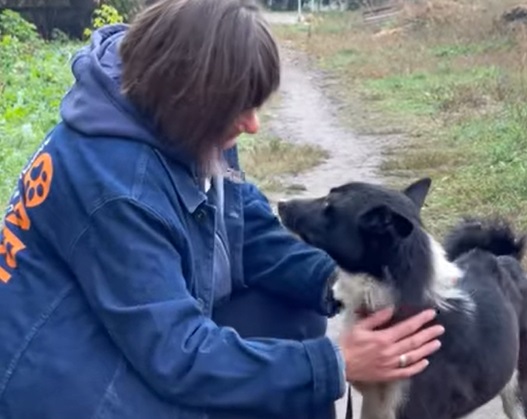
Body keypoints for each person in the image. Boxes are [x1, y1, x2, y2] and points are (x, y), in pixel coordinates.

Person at [0, 0, 445, 418]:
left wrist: (338, 285)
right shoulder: (118, 186)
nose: (252, 124)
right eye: (241, 107)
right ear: (189, 98)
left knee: (297, 315)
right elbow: (176, 357)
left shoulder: (179, 119)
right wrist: (335, 364)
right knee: (304, 371)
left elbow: (242, 226)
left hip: (124, 326)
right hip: (67, 385)